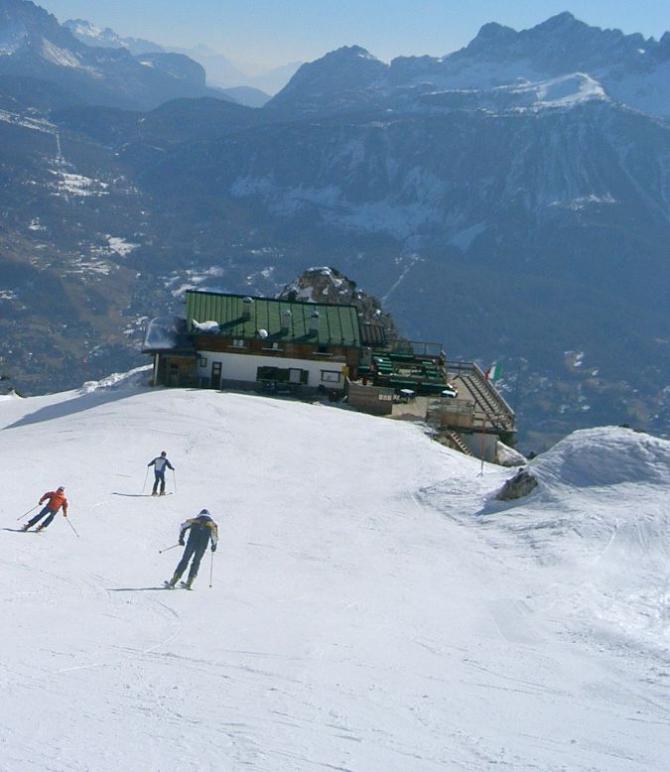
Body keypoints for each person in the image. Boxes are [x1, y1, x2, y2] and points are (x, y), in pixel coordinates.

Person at [166, 509, 218, 589]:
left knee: (185, 560)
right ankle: (189, 582)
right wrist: (214, 546)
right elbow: (214, 536)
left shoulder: (194, 521)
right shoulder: (212, 524)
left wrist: (181, 539)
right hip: (202, 545)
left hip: (191, 543)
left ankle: (173, 581)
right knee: (196, 562)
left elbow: (182, 527)